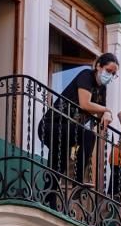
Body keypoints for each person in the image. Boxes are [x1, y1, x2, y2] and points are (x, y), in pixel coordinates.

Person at [42, 53, 117, 181]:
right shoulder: (86, 75)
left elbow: (99, 113)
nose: (110, 75)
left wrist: (106, 113)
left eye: (113, 74)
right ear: (99, 66)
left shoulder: (102, 89)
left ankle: (50, 198)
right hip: (52, 125)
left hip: (69, 129)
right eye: (108, 71)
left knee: (57, 168)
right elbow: (85, 104)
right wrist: (107, 110)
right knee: (88, 135)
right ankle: (78, 179)